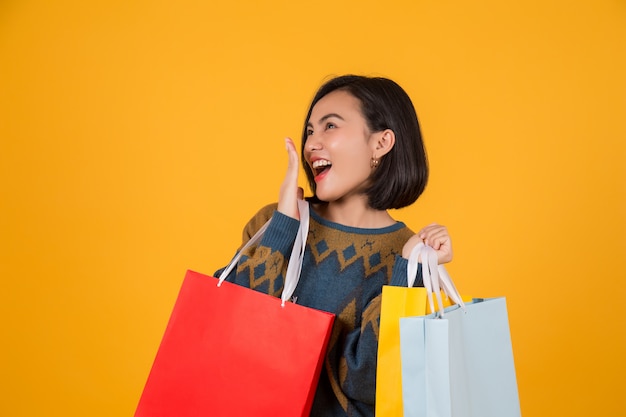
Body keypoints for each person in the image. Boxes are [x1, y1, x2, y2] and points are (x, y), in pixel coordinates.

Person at [216, 75, 453, 417]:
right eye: (310, 130)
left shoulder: (407, 256)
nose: (312, 143)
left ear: (381, 143)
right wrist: (283, 228)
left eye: (330, 126)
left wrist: (410, 271)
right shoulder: (276, 223)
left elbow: (369, 385)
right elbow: (234, 336)